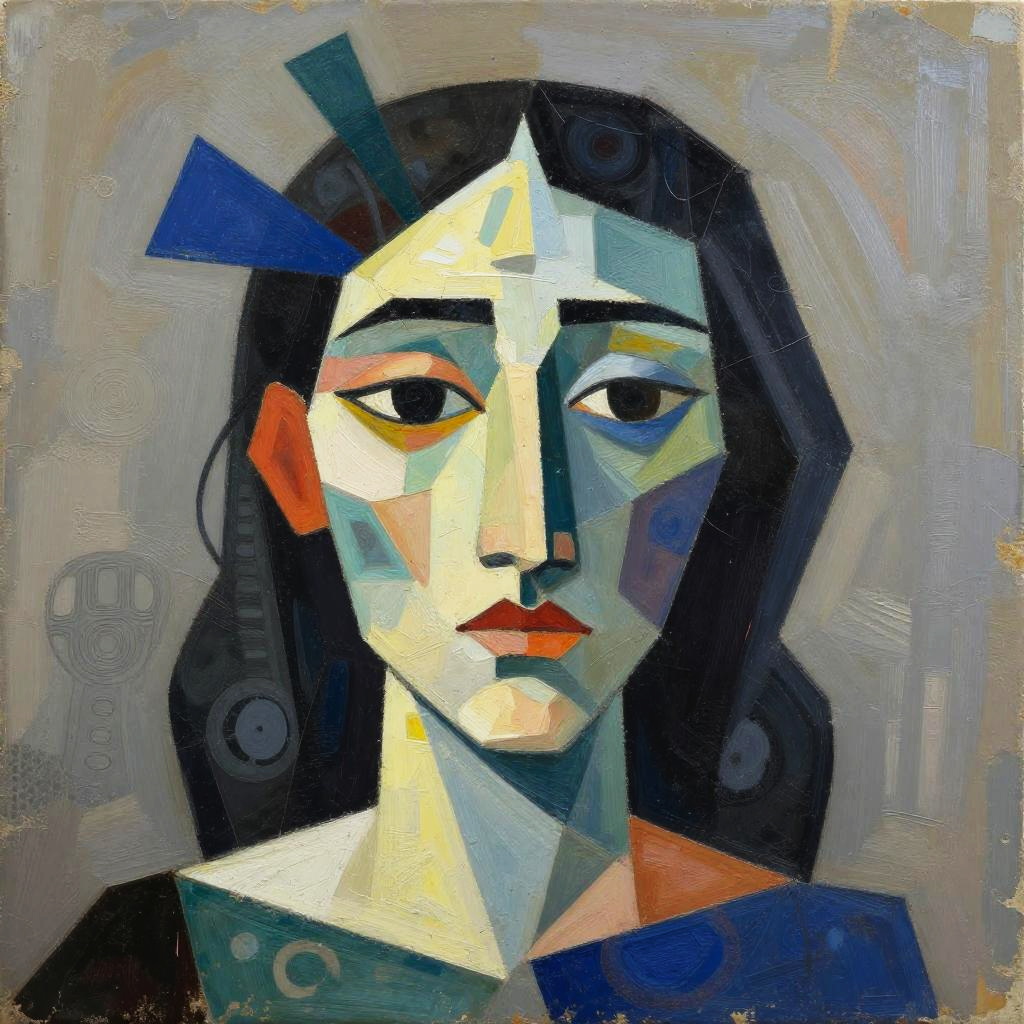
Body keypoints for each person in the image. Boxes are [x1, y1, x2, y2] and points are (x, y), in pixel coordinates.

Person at [18, 36, 935, 1024]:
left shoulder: (837, 978)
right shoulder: (148, 975)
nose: (528, 531)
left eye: (629, 400)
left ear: (731, 468)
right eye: (416, 400)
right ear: (293, 464)